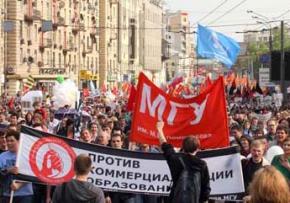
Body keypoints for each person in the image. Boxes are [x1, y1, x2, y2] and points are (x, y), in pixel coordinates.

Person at [156, 121, 210, 203]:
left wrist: (159, 129)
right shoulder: (202, 164)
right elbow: (206, 190)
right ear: (197, 148)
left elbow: (164, 145)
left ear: (183, 147)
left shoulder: (175, 159)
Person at [0, 130, 34, 203]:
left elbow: (32, 173)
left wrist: (19, 185)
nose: (9, 143)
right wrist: (8, 170)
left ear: (19, 141)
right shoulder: (2, 156)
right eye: (7, 141)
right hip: (7, 195)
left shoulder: (26, 155)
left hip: (25, 195)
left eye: (12, 141)